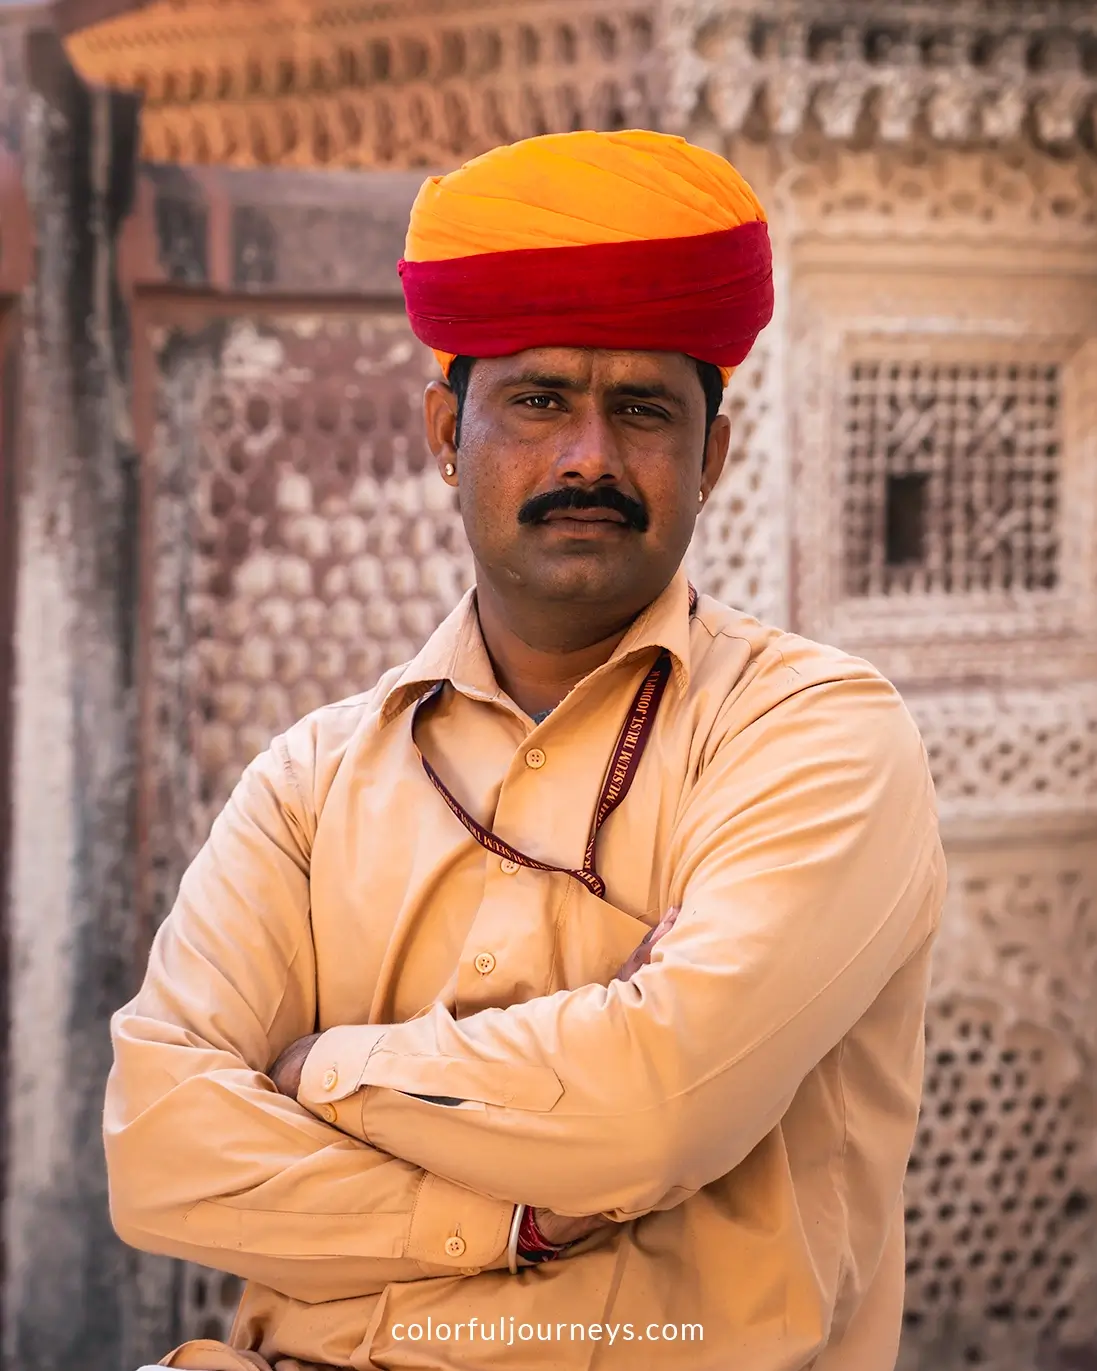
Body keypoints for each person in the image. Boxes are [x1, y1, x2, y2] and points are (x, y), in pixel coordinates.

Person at [107, 129, 945, 1371]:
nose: (588, 457)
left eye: (642, 410)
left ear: (710, 456)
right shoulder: (312, 780)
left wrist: (325, 1072)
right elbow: (159, 1147)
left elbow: (661, 1104)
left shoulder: (812, 733)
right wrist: (512, 1211)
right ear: (448, 435)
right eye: (539, 399)